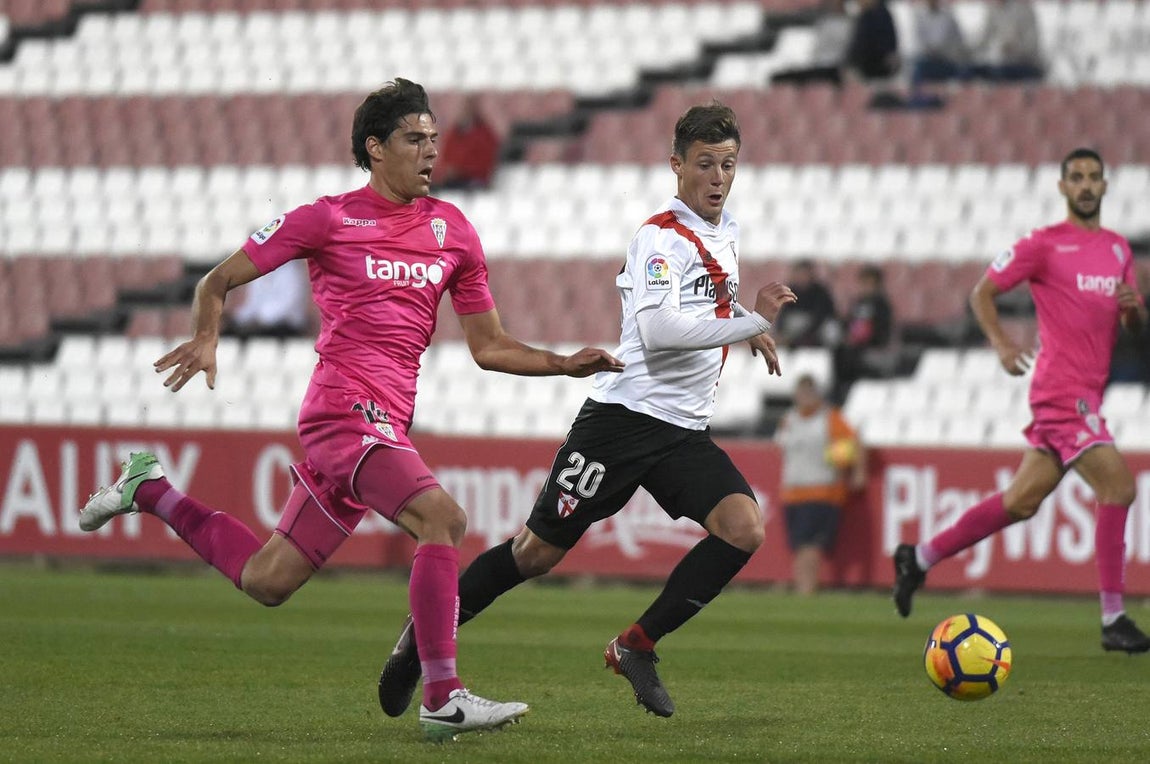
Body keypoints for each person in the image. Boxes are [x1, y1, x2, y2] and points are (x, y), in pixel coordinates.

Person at [78, 78, 625, 741]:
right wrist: (205, 332)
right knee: (442, 518)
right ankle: (443, 695)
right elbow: (216, 279)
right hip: (342, 410)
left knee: (268, 580)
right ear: (375, 148)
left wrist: (563, 363)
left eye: (432, 138)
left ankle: (150, 488)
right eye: (413, 139)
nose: (430, 152)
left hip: (386, 420)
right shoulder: (328, 218)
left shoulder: (453, 231)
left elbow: (489, 347)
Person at [377, 101, 796, 720]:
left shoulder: (724, 229)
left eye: (728, 165)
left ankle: (637, 645)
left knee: (744, 528)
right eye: (705, 164)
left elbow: (703, 302)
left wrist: (741, 323)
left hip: (682, 430)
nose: (717, 177)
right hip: (622, 423)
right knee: (535, 554)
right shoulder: (660, 235)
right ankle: (422, 639)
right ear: (676, 166)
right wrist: (752, 320)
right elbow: (656, 330)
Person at [893, 148, 1150, 654]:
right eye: (1075, 177)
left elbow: (1133, 328)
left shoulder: (1119, 250)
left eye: (1093, 178)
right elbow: (981, 294)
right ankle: (1113, 617)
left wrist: (1134, 311)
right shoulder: (1043, 245)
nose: (1084, 185)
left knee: (1021, 502)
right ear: (1062, 187)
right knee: (1118, 488)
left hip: (1089, 394)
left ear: (1104, 186)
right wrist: (1003, 344)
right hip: (1060, 393)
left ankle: (917, 558)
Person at [775, 374, 865, 595]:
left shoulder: (830, 418)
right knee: (798, 544)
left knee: (811, 544)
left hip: (822, 488)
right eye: (801, 392)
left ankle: (807, 588)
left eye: (809, 392)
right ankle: (801, 586)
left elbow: (852, 443)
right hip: (793, 491)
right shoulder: (790, 419)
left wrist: (857, 471)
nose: (805, 397)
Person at [832, 265, 893, 402]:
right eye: (863, 283)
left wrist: (863, 338)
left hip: (873, 347)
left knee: (851, 355)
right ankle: (839, 393)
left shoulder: (882, 306)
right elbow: (848, 324)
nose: (865, 287)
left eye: (869, 284)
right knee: (839, 351)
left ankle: (848, 393)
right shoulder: (857, 303)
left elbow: (881, 332)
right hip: (855, 346)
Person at [770, 0, 854, 86]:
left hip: (834, 67)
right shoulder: (823, 22)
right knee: (779, 78)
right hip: (817, 64)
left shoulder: (850, 25)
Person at [223, 257, 312, 338]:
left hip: (286, 328)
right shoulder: (257, 269)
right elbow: (251, 306)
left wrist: (260, 318)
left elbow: (288, 300)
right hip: (262, 328)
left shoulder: (290, 269)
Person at [434, 95, 501, 191]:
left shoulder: (486, 134)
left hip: (474, 180)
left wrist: (460, 170)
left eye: (467, 107)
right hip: (453, 180)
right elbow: (446, 159)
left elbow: (486, 162)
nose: (464, 111)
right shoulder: (452, 133)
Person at [971, 0, 1044, 81]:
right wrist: (969, 54)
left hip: (1026, 65)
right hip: (1004, 64)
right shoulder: (993, 10)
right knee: (975, 72)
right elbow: (985, 40)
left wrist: (1012, 48)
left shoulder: (1024, 10)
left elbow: (1031, 46)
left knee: (996, 75)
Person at [908, 0, 971, 93]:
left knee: (965, 72)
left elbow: (958, 40)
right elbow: (920, 41)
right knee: (916, 71)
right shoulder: (920, 17)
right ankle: (917, 100)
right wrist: (931, 51)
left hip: (947, 60)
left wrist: (948, 51)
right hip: (928, 61)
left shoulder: (949, 17)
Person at [774, 259, 838, 348]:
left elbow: (821, 316)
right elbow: (784, 314)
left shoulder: (820, 291)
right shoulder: (791, 290)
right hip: (799, 326)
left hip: (818, 325)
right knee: (792, 322)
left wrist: (807, 334)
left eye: (804, 274)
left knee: (831, 329)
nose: (801, 277)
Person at [844, 0, 900, 81]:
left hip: (878, 64)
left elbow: (889, 39)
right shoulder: (862, 15)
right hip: (864, 65)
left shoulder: (881, 14)